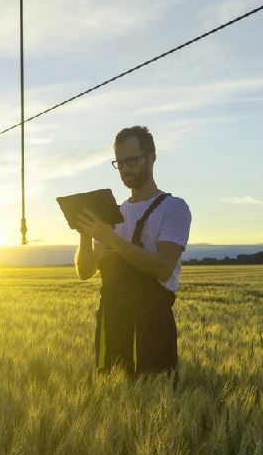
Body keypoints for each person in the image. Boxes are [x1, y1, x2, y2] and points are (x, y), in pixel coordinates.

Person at [74, 125, 192, 377]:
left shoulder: (173, 208)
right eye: (120, 163)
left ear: (152, 157)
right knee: (111, 400)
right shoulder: (111, 214)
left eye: (132, 160)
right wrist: (85, 234)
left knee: (154, 400)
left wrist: (112, 240)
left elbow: (163, 268)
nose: (126, 169)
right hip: (111, 323)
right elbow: (85, 272)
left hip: (151, 325)